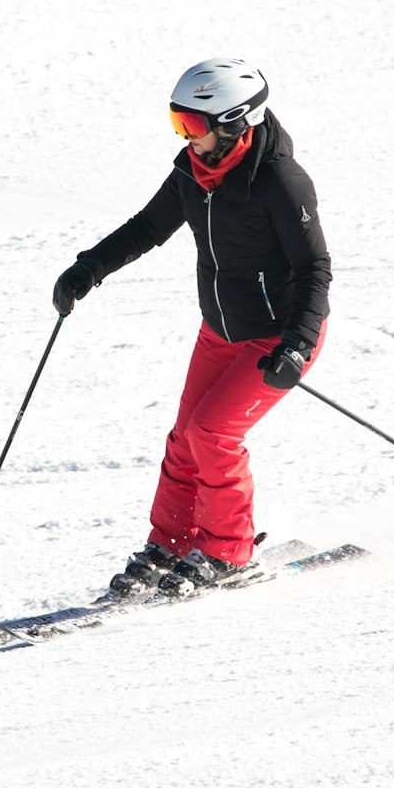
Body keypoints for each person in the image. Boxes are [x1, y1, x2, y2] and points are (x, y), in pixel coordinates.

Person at [52, 59, 330, 598]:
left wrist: (296, 345)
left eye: (194, 127)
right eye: (179, 123)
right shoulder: (193, 171)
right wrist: (89, 268)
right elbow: (147, 227)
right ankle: (173, 542)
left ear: (233, 123)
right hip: (221, 331)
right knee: (185, 439)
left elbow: (314, 268)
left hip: (279, 335)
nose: (185, 137)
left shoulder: (280, 180)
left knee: (213, 434)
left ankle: (229, 551)